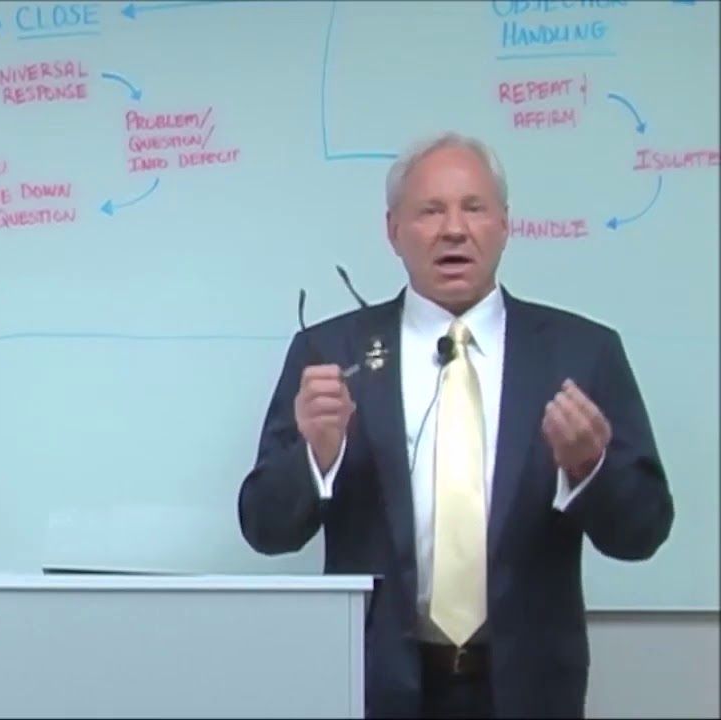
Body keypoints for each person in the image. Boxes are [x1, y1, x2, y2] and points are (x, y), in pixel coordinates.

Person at [237, 131, 674, 719]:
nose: (453, 229)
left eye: (474, 208)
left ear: (504, 224)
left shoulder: (581, 353)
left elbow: (643, 533)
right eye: (430, 211)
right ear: (393, 231)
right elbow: (266, 529)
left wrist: (590, 468)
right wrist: (316, 455)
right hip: (374, 687)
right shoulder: (328, 351)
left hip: (530, 690)